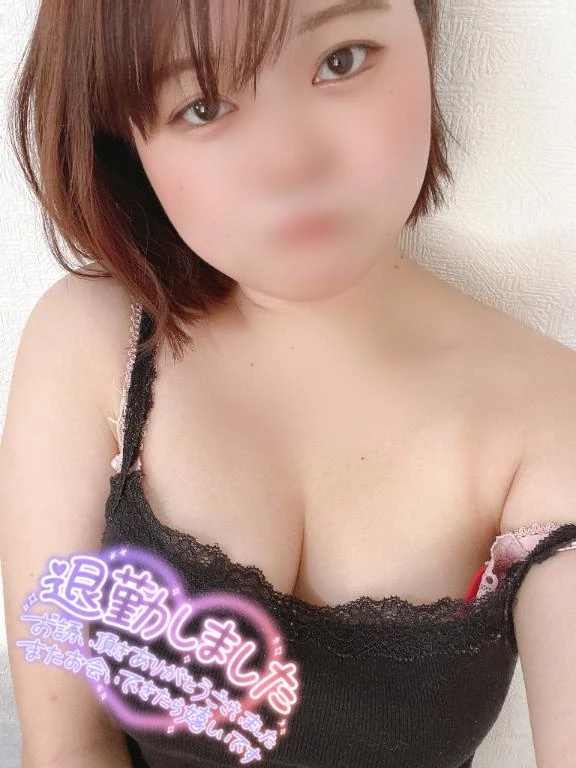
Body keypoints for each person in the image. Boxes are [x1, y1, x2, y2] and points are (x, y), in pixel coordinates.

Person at [2, 1, 576, 767]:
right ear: (127, 145)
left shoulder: (550, 412)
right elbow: (67, 747)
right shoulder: (95, 342)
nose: (291, 163)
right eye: (203, 105)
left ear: (423, 36)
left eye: (342, 60)